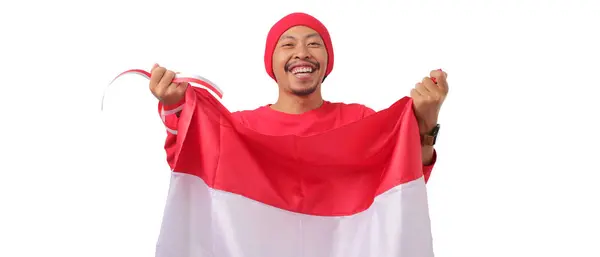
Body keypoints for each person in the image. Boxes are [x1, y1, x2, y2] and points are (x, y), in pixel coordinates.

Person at [148, 12, 448, 180]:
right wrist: (174, 107)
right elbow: (188, 169)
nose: (302, 53)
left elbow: (408, 183)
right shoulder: (240, 128)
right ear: (272, 62)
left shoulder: (360, 120)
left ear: (328, 61)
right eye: (288, 44)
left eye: (314, 44)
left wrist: (426, 122)